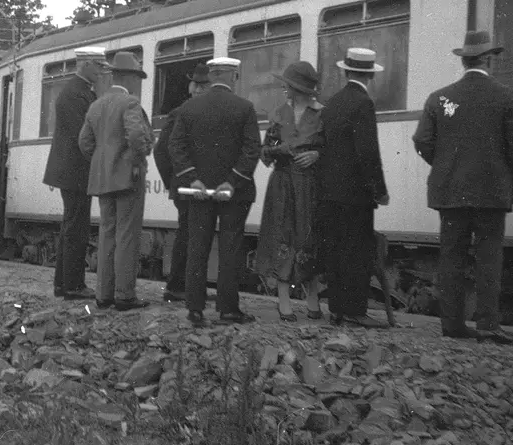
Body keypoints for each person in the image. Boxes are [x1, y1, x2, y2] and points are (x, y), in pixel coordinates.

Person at [413, 31, 513, 344]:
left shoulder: (439, 97)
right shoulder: (505, 96)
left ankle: (452, 326)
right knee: (488, 256)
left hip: (450, 192)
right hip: (492, 191)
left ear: (463, 60)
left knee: (451, 256)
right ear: (489, 58)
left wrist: (445, 165)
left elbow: (422, 140)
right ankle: (487, 325)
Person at [167, 57, 261, 326]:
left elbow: (176, 147)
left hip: (198, 192)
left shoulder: (189, 107)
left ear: (211, 76)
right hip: (234, 193)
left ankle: (194, 309)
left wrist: (192, 179)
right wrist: (232, 181)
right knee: (231, 249)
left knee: (197, 247)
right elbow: (251, 149)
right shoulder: (245, 108)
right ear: (233, 75)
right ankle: (228, 309)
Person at [316, 48, 390, 329]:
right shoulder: (363, 103)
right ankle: (355, 310)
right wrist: (379, 189)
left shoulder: (332, 103)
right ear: (370, 74)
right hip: (356, 194)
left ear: (346, 71)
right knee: (358, 251)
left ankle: (337, 310)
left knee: (336, 250)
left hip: (331, 192)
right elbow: (368, 152)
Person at [79, 51, 154, 311]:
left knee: (107, 234)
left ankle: (104, 295)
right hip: (127, 178)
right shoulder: (130, 103)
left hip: (102, 179)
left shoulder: (97, 104)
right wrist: (135, 160)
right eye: (138, 77)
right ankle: (124, 295)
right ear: (130, 78)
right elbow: (136, 136)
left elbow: (85, 143)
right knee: (127, 235)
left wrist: (103, 163)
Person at [255, 61, 325, 321]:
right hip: (283, 183)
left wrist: (317, 155)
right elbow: (264, 152)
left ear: (299, 89)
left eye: (288, 86)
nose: (285, 89)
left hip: (309, 185)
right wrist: (278, 150)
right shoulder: (278, 114)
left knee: (309, 239)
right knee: (282, 238)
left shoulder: (321, 114)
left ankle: (313, 298)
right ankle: (284, 301)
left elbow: (332, 151)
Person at [43, 46, 109, 300]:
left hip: (71, 169)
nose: (101, 71)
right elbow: (82, 135)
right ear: (85, 65)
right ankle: (73, 285)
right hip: (76, 170)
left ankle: (64, 284)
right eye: (98, 66)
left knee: (72, 226)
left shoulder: (76, 91)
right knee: (76, 228)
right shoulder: (77, 94)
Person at [152, 62, 209, 303]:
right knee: (189, 235)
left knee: (190, 234)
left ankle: (185, 286)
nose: (198, 89)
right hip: (187, 185)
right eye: (197, 84)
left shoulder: (195, 111)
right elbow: (161, 151)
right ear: (191, 87)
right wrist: (173, 182)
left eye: (202, 85)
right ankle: (177, 287)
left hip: (186, 185)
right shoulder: (181, 113)